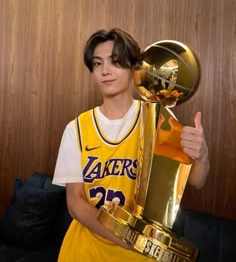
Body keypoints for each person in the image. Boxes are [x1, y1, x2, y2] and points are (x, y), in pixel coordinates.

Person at [53, 28, 209, 262]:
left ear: (135, 68)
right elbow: (75, 202)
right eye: (97, 64)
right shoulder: (76, 129)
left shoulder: (159, 119)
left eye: (116, 62)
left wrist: (202, 155)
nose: (105, 70)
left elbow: (196, 181)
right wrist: (127, 239)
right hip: (84, 251)